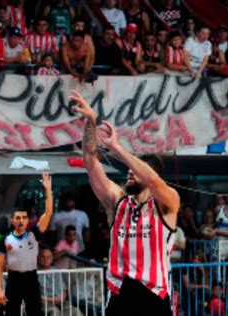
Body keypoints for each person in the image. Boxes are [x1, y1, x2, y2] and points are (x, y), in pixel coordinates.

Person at [71, 90, 180, 316]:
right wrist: (90, 122)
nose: (130, 171)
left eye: (136, 169)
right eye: (130, 168)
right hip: (120, 291)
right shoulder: (118, 202)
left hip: (154, 293)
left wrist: (118, 148)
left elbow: (152, 179)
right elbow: (91, 163)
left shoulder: (167, 203)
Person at [0, 172, 53, 316]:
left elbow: (48, 212)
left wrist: (47, 189)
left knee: (35, 312)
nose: (21, 221)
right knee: (11, 312)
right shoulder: (5, 239)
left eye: (24, 218)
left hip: (31, 278)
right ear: (12, 221)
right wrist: (0, 290)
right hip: (14, 279)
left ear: (28, 221)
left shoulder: (34, 233)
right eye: (17, 218)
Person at [38, 248, 67, 316]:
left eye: (48, 257)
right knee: (55, 312)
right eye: (43, 257)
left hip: (61, 301)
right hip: (45, 302)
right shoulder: (35, 272)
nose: (45, 259)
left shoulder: (56, 270)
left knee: (75, 311)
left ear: (52, 259)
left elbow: (64, 289)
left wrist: (62, 297)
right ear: (39, 259)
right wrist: (52, 299)